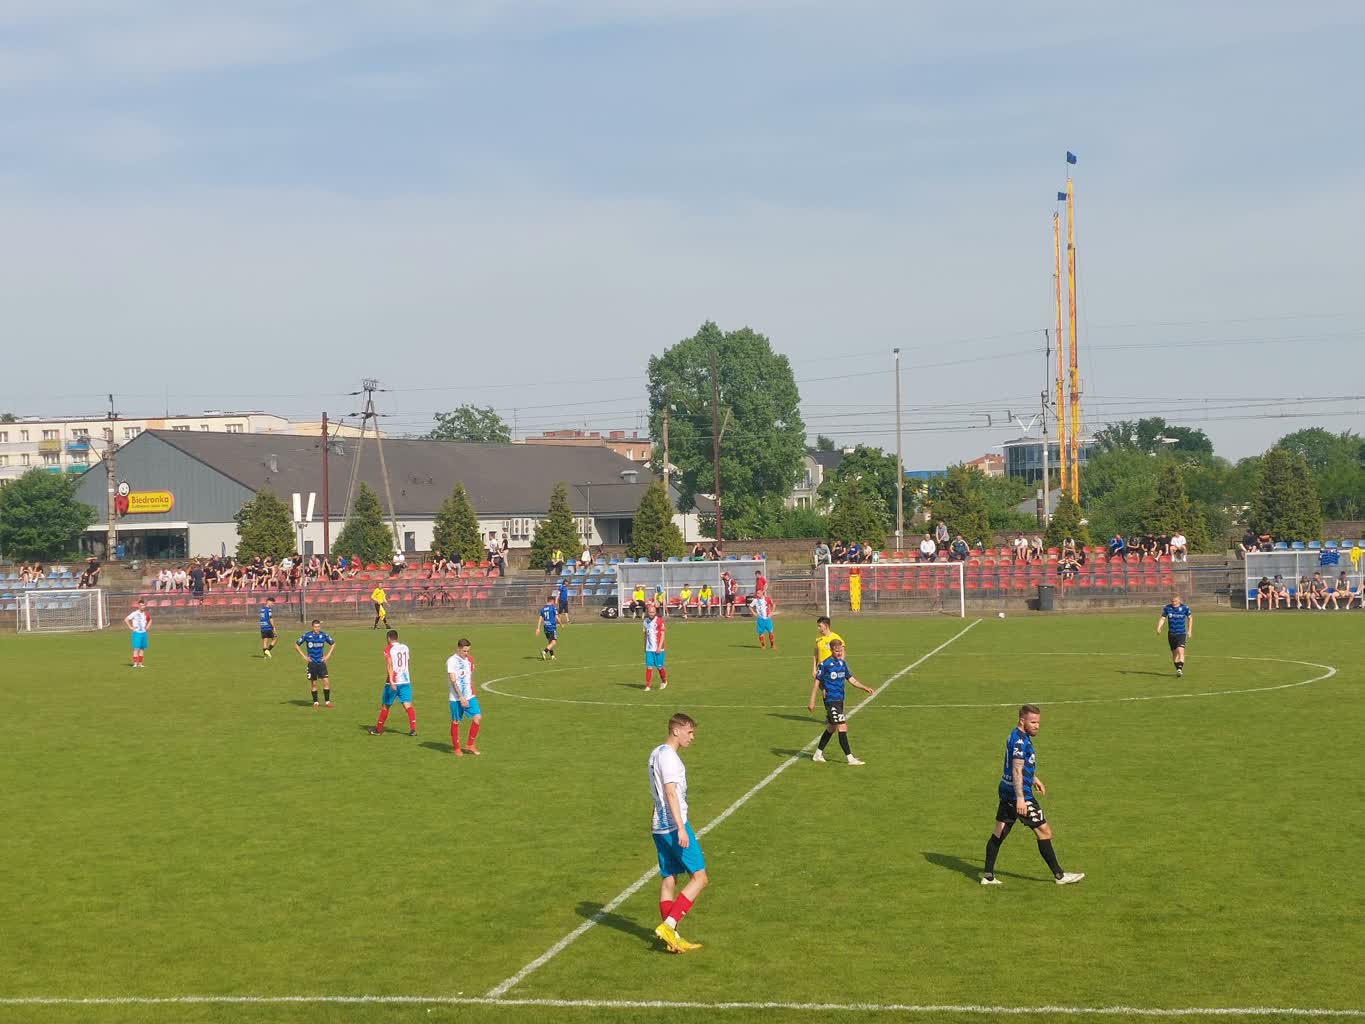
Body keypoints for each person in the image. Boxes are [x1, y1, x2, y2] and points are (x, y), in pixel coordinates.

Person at [981, 704, 1085, 887]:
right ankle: (1060, 876)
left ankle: (987, 876)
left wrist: (1034, 778)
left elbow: (1017, 765)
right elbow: (1016, 769)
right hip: (1019, 793)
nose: (1037, 726)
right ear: (1022, 721)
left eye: (1038, 722)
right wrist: (1021, 798)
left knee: (1000, 830)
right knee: (1044, 832)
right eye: (1033, 722)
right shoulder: (1020, 742)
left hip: (1006, 789)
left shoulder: (1016, 735)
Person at [649, 712, 707, 955]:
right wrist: (681, 828)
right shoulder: (670, 758)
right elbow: (670, 792)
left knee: (669, 879)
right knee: (700, 878)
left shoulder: (656, 753)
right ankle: (669, 926)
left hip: (658, 826)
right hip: (674, 825)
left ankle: (671, 938)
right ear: (676, 731)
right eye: (689, 732)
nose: (692, 737)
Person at [808, 639, 873, 765]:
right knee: (842, 726)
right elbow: (816, 683)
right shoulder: (825, 664)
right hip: (831, 700)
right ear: (831, 650)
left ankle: (817, 754)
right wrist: (812, 701)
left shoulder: (842, 663)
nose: (839, 653)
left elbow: (851, 679)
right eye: (837, 651)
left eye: (841, 651)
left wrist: (865, 687)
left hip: (840, 700)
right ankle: (850, 758)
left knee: (831, 727)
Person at [370, 629, 417, 736]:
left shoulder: (388, 649)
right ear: (397, 637)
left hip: (393, 682)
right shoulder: (405, 647)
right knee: (408, 705)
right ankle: (413, 729)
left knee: (385, 706)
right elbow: (407, 662)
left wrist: (391, 680)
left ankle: (378, 729)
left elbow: (389, 665)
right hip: (405, 681)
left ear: (388, 638)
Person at [446, 638, 482, 756]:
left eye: (468, 651)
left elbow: (469, 677)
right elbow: (453, 681)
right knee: (456, 721)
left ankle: (470, 745)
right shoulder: (452, 661)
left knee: (478, 717)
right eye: (464, 651)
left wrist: (471, 693)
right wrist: (461, 697)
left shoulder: (469, 660)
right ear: (459, 649)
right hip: (456, 698)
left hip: (469, 696)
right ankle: (457, 748)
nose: (466, 653)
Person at [295, 619, 336, 708]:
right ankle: (316, 702)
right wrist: (304, 656)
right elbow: (296, 645)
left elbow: (333, 644)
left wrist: (328, 655)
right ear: (312, 627)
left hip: (321, 663)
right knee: (314, 684)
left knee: (326, 682)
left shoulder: (324, 635)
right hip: (312, 663)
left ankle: (327, 702)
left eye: (318, 627)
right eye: (315, 627)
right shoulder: (307, 635)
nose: (317, 628)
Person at [1157, 593, 1192, 677]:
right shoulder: (1167, 608)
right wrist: (1159, 627)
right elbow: (1162, 618)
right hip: (1171, 634)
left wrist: (1189, 630)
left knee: (1181, 651)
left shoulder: (1185, 608)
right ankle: (1178, 669)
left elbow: (1190, 618)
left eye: (1175, 601)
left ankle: (1180, 669)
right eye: (1172, 601)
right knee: (1174, 654)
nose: (1174, 603)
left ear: (1179, 600)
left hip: (1181, 633)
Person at [643, 602, 668, 691]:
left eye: (653, 612)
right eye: (650, 612)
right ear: (647, 612)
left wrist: (659, 647)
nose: (651, 614)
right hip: (649, 648)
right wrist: (644, 646)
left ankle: (664, 681)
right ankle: (648, 686)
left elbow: (662, 635)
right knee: (649, 667)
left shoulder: (660, 621)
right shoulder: (645, 621)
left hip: (658, 648)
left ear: (655, 612)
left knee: (659, 667)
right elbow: (645, 635)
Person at [124, 599, 151, 669]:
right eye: (141, 605)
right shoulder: (134, 613)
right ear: (138, 606)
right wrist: (130, 627)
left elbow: (150, 619)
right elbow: (126, 619)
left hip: (143, 633)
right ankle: (135, 664)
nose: (142, 607)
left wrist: (148, 626)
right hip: (137, 633)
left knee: (142, 649)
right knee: (136, 649)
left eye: (143, 605)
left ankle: (140, 664)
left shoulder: (146, 614)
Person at [536, 592, 560, 660]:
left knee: (550, 642)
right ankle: (544, 652)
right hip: (552, 627)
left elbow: (540, 619)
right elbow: (557, 618)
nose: (554, 603)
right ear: (551, 601)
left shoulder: (543, 609)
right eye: (554, 601)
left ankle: (552, 656)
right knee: (554, 642)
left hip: (546, 627)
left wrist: (538, 628)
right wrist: (561, 624)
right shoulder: (553, 608)